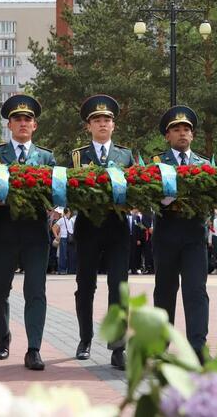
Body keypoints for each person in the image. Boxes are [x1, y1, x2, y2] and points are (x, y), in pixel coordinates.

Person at [0, 94, 55, 371]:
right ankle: (3, 337)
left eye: (28, 119)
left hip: (36, 232)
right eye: (17, 119)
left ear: (35, 126)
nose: (23, 123)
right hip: (4, 229)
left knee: (35, 290)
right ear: (9, 125)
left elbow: (54, 191)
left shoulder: (46, 157)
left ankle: (34, 349)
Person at [68, 95, 134, 369]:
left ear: (113, 125)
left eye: (107, 119)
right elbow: (67, 190)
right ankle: (85, 338)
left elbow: (136, 188)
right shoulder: (77, 156)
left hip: (117, 226)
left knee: (118, 287)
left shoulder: (126, 156)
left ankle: (118, 348)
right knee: (85, 286)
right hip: (88, 227)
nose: (102, 124)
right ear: (89, 126)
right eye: (97, 120)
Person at [150, 105, 211, 358]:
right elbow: (149, 196)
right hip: (166, 231)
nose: (182, 133)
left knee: (196, 290)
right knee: (165, 290)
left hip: (194, 232)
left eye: (187, 129)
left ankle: (197, 347)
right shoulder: (157, 164)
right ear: (168, 136)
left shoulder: (204, 164)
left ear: (193, 135)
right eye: (176, 129)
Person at [55, 208, 74, 276]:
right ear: (67, 212)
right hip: (63, 238)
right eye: (69, 212)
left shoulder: (68, 220)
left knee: (67, 254)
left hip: (67, 238)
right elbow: (54, 227)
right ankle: (61, 270)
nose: (70, 214)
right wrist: (56, 236)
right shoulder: (62, 219)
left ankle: (66, 269)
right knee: (63, 254)